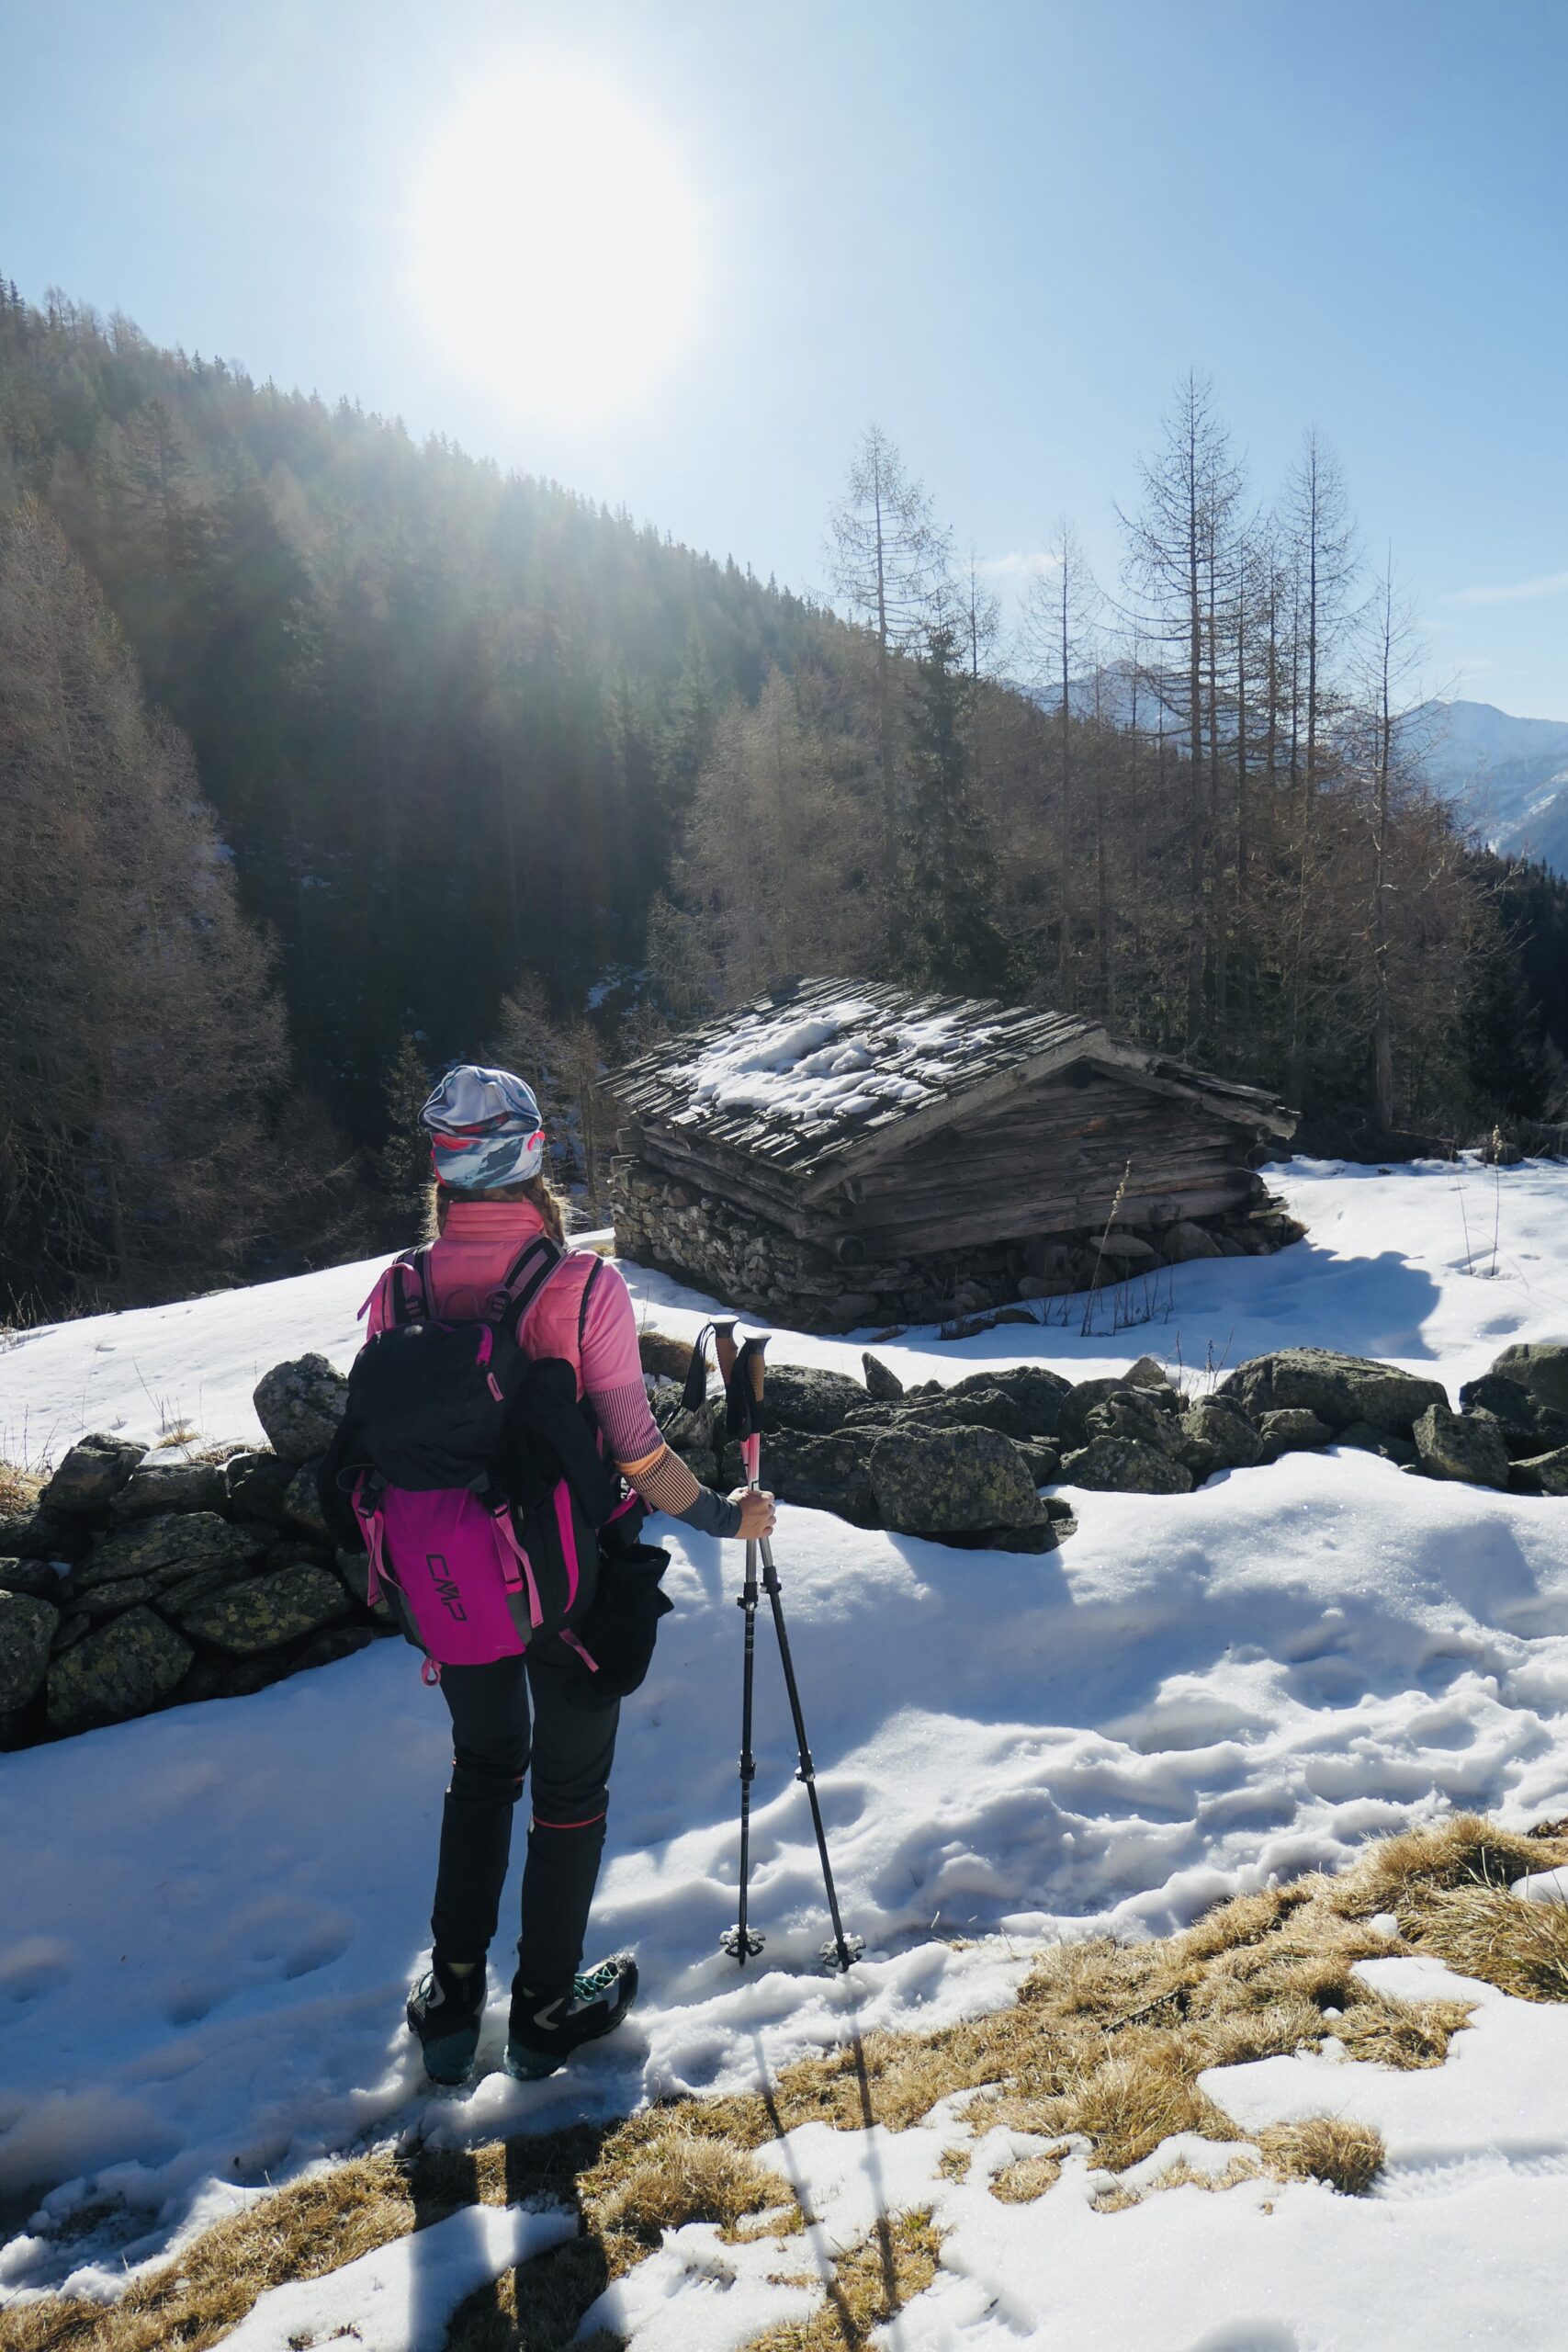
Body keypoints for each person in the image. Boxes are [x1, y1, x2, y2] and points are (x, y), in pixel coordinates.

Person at [323, 1064, 774, 2085]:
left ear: (442, 1173)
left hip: (451, 1585)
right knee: (569, 1785)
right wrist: (722, 1516)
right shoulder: (580, 1288)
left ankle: (450, 2005)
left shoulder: (398, 1290)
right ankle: (543, 2013)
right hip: (575, 1587)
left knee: (483, 1769)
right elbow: (637, 1451)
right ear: (533, 1162)